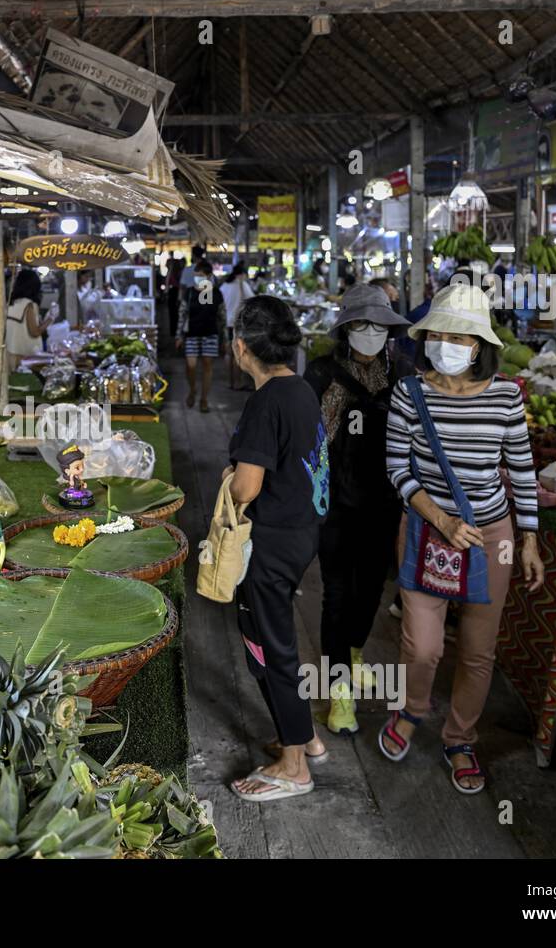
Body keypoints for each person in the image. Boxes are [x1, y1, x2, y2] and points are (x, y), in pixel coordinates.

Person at [380, 282, 544, 795]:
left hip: (491, 535)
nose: (444, 342)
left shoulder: (505, 398)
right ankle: (413, 709)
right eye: (437, 333)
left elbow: (521, 470)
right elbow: (397, 469)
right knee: (422, 645)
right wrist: (442, 519)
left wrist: (530, 538)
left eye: (457, 335)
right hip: (428, 530)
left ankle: (461, 738)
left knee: (478, 649)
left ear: (478, 345)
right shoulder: (410, 393)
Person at [225, 295, 331, 802]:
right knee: (270, 639)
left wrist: (229, 475)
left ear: (241, 348)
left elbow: (246, 488)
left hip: (269, 542)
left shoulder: (266, 401)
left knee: (270, 646)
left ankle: (293, 765)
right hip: (301, 535)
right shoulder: (302, 390)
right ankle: (304, 736)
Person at [304, 285, 414, 735]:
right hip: (334, 505)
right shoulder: (320, 373)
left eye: (378, 326)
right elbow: (308, 439)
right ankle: (339, 693)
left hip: (385, 502)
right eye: (360, 325)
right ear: (346, 328)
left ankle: (351, 654)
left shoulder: (405, 374)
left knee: (371, 592)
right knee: (336, 594)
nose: (370, 333)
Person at [176, 259, 223, 411]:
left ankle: (204, 399)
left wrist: (227, 339)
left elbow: (222, 315)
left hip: (210, 334)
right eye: (196, 275)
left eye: (201, 275)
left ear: (209, 276)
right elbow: (182, 314)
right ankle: (192, 389)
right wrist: (178, 335)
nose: (198, 278)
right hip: (192, 334)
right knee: (191, 366)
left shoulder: (216, 293)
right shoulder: (189, 293)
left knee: (207, 366)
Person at [5, 267, 51, 371]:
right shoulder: (29, 305)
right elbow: (34, 332)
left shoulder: (11, 303)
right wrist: (50, 319)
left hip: (10, 354)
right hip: (26, 358)